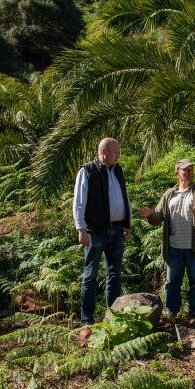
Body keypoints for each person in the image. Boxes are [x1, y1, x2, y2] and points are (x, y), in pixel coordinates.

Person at [138, 159, 195, 322]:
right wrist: (150, 215)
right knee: (172, 282)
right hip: (174, 247)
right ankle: (171, 313)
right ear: (177, 172)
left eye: (192, 170)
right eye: (186, 170)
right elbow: (158, 217)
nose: (190, 172)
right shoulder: (168, 194)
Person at [73, 137, 132, 325]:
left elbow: (124, 197)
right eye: (116, 152)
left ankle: (112, 318)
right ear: (104, 152)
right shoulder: (87, 171)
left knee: (114, 275)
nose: (119, 155)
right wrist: (81, 229)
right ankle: (87, 320)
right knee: (90, 276)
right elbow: (79, 203)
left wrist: (127, 224)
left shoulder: (118, 170)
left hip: (116, 230)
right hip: (95, 232)